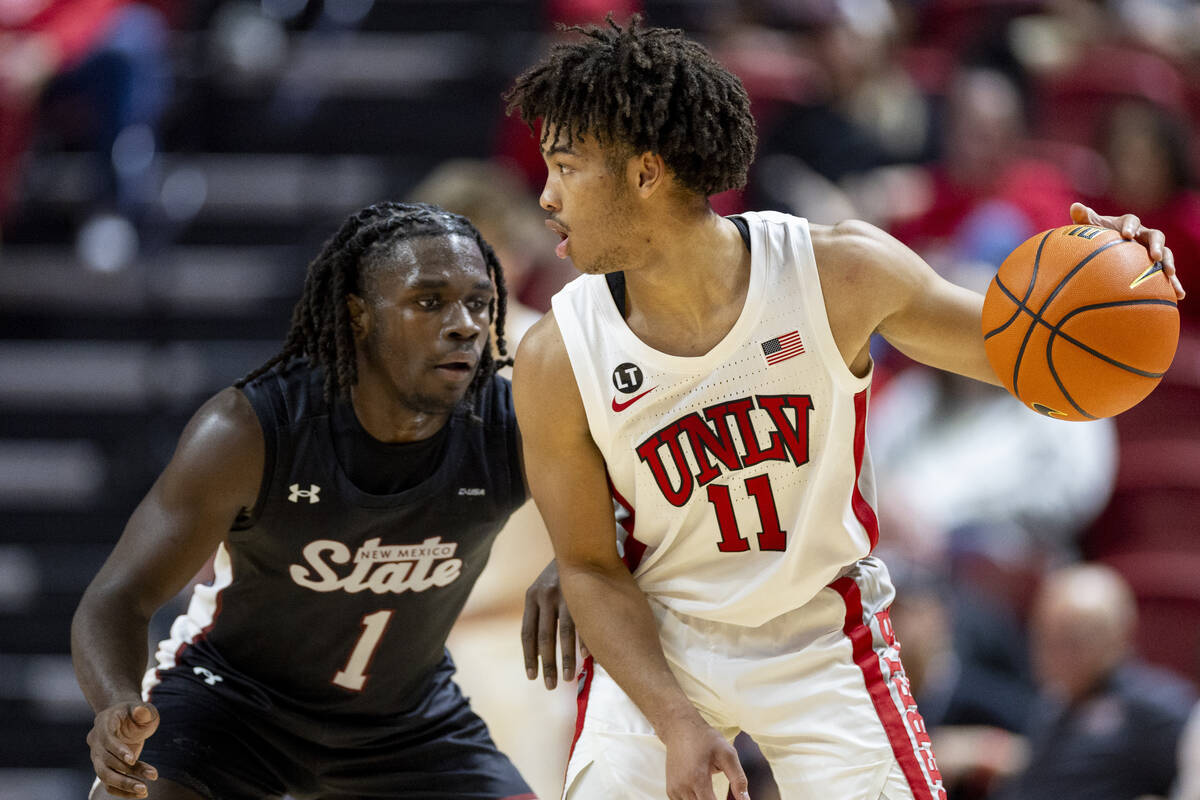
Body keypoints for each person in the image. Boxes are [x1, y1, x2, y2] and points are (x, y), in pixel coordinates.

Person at [504, 16, 1185, 800]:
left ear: (648, 173)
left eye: (567, 166)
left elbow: (1026, 356)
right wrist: (677, 722)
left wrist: (1115, 278)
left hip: (821, 633)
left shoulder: (835, 274)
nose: (547, 195)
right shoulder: (559, 355)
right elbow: (589, 568)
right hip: (657, 642)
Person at [71, 202, 543, 800]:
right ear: (358, 314)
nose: (465, 325)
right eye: (429, 302)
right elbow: (117, 597)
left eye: (479, 302)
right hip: (233, 707)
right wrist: (115, 704)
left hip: (406, 721)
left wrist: (573, 559)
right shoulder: (249, 430)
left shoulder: (516, 423)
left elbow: (636, 510)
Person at [992, 564, 1196, 800]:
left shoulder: (1157, 708)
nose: (1054, 652)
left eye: (1073, 638)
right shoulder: (1052, 702)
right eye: (1045, 635)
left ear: (1120, 634)